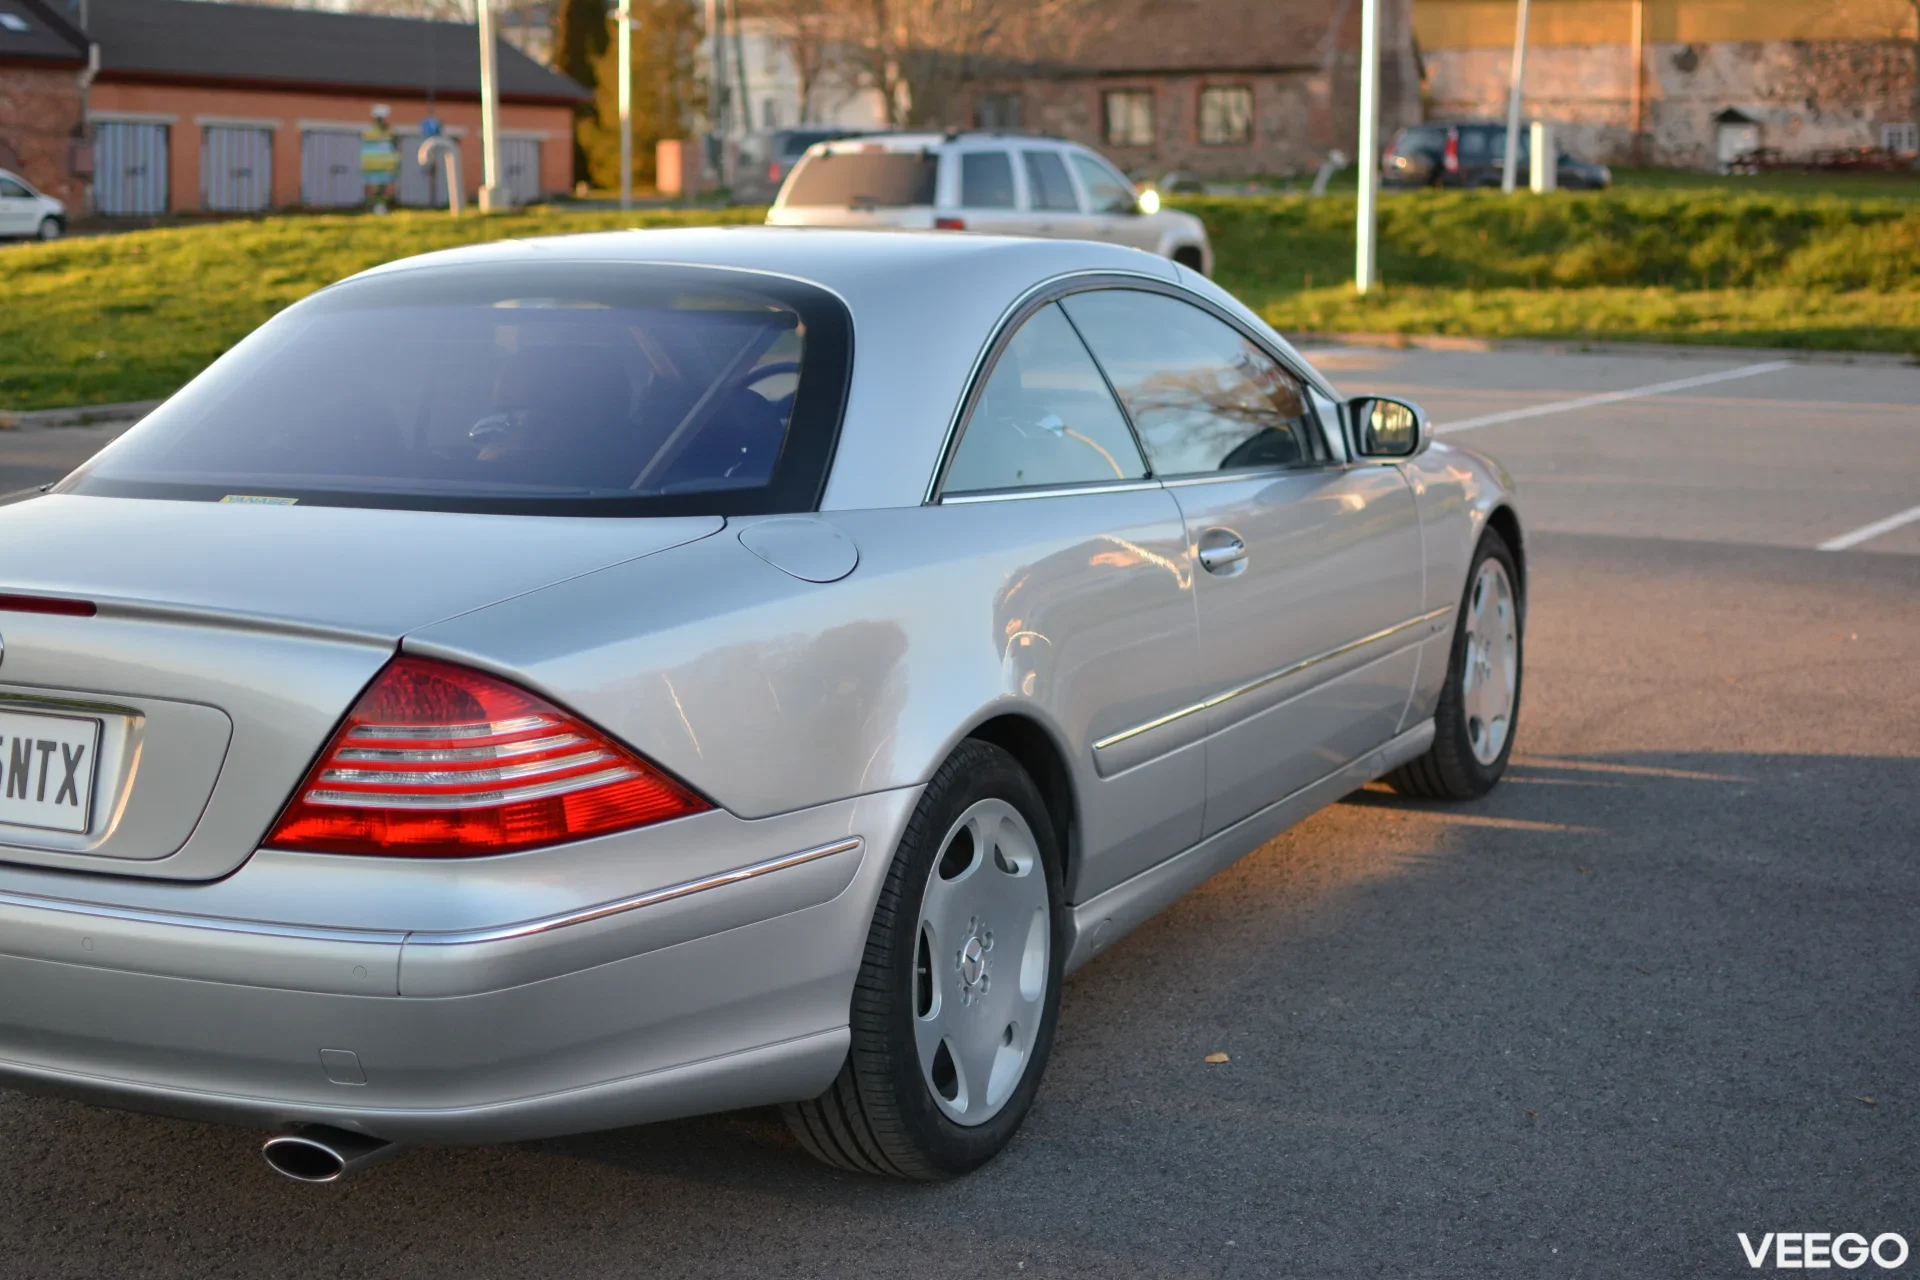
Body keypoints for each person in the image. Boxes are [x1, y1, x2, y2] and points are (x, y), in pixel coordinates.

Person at [361, 104, 399, 213]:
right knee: (375, 190)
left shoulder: (388, 132)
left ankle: (381, 207)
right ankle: (374, 207)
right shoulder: (373, 132)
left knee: (383, 190)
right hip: (374, 167)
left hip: (384, 167)